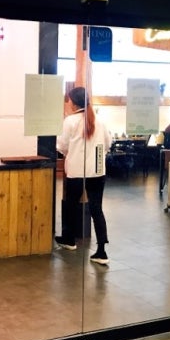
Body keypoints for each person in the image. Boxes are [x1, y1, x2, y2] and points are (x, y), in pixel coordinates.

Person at [55, 86, 112, 265]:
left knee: (71, 206)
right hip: (97, 171)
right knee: (97, 209)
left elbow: (62, 146)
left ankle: (69, 239)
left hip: (77, 171)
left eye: (69, 100)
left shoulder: (70, 121)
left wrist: (71, 153)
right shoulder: (100, 120)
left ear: (74, 103)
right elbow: (108, 144)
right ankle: (101, 251)